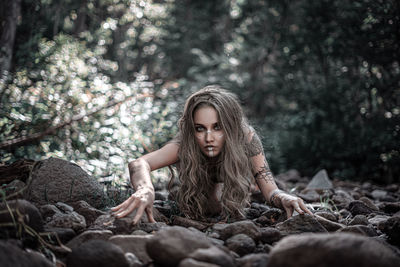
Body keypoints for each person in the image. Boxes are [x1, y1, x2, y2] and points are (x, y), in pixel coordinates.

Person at [112, 85, 312, 224]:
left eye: (217, 127)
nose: (209, 137)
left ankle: (245, 185)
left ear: (230, 127)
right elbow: (139, 164)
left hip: (233, 174)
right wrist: (145, 188)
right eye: (200, 128)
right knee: (206, 206)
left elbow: (270, 190)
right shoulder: (185, 142)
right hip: (200, 181)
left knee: (226, 202)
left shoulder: (246, 138)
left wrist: (284, 197)